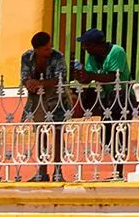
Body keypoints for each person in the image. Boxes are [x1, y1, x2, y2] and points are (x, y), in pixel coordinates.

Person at [72, 28, 132, 179]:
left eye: (87, 45)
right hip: (106, 98)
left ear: (97, 45)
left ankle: (119, 171)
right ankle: (115, 168)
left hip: (121, 96)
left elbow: (113, 77)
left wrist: (91, 75)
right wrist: (81, 77)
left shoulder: (116, 52)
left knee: (120, 132)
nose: (85, 49)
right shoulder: (93, 57)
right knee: (107, 134)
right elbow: (90, 77)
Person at [20, 32, 68, 182]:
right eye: (46, 49)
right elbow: (24, 76)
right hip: (37, 99)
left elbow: (60, 78)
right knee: (41, 132)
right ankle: (42, 171)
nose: (49, 51)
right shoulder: (27, 57)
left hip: (56, 98)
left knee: (58, 133)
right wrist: (29, 83)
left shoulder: (57, 56)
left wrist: (40, 83)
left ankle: (58, 172)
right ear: (37, 49)